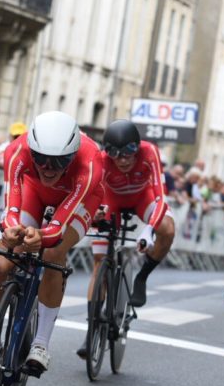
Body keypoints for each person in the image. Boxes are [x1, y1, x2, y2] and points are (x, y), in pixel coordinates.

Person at [0, 111, 103, 376]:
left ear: (73, 155)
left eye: (58, 161)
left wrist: (42, 237)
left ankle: (41, 344)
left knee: (54, 253)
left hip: (78, 198)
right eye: (41, 159)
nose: (48, 167)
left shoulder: (91, 164)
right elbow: (10, 209)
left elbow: (56, 229)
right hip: (32, 189)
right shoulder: (15, 151)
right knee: (3, 262)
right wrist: (10, 231)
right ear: (31, 149)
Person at [75, 119, 176, 357]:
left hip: (144, 198)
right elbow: (91, 191)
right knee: (100, 262)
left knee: (168, 230)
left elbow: (161, 197)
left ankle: (141, 278)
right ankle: (91, 333)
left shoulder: (150, 152)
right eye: (115, 153)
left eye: (129, 151)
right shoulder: (101, 160)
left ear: (138, 146)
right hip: (111, 201)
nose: (122, 159)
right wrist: (96, 212)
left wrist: (150, 228)